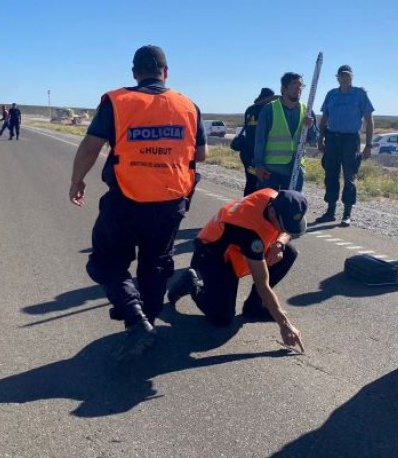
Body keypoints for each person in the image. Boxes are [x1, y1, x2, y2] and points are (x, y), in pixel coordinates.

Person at [68, 45, 207, 360]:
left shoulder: (118, 102)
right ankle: (147, 322)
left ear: (135, 72)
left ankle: (135, 318)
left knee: (105, 261)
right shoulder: (188, 106)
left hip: (126, 200)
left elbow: (91, 147)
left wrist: (77, 179)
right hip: (171, 200)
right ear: (166, 72)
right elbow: (201, 155)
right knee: (156, 266)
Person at [167, 188, 306, 353]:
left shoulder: (277, 199)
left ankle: (254, 307)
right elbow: (262, 283)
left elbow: (287, 231)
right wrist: (285, 325)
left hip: (237, 251)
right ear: (273, 212)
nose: (286, 230)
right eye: (283, 225)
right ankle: (192, 284)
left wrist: (279, 243)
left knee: (289, 252)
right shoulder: (249, 231)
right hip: (212, 254)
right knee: (222, 318)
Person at [314, 64, 375, 227]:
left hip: (350, 140)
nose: (344, 77)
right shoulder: (331, 95)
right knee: (331, 175)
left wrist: (368, 145)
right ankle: (330, 211)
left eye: (347, 74)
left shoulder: (360, 94)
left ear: (352, 77)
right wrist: (320, 140)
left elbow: (369, 121)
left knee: (350, 176)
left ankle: (347, 213)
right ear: (337, 77)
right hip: (332, 138)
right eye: (341, 75)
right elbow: (324, 119)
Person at [253, 72, 315, 193]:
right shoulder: (269, 109)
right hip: (271, 171)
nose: (298, 88)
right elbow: (260, 140)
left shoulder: (307, 111)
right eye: (293, 84)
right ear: (283, 88)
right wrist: (259, 165)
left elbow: (313, 139)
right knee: (268, 208)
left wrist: (310, 128)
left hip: (296, 169)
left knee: (292, 209)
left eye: (300, 85)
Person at [238, 87, 277, 196]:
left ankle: (246, 205)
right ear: (267, 98)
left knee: (251, 181)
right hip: (255, 153)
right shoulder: (266, 110)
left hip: (247, 153)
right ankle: (253, 206)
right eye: (271, 98)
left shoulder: (250, 109)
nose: (272, 101)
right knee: (257, 182)